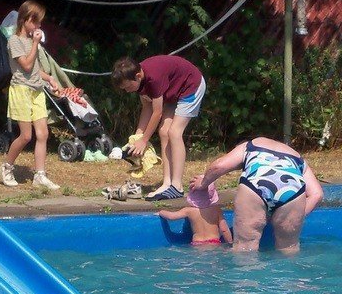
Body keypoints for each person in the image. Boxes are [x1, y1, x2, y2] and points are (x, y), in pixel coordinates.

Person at [191, 137, 323, 254]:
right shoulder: (297, 157)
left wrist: (203, 183)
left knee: (245, 248)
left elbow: (219, 166)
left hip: (257, 184)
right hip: (293, 190)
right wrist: (294, 216)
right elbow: (317, 194)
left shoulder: (249, 146)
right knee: (289, 249)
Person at [111, 54, 206, 201]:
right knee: (163, 132)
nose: (127, 90)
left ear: (137, 76)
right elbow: (147, 108)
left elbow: (157, 112)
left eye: (128, 86)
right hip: (173, 91)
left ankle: (177, 186)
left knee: (174, 132)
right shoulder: (140, 80)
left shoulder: (153, 78)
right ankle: (167, 183)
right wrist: (137, 137)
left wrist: (144, 140)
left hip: (191, 86)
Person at [0, 1, 61, 190]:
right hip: (21, 90)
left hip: (36, 90)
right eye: (36, 22)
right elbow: (25, 65)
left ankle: (40, 175)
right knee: (25, 136)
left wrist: (49, 78)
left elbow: (34, 70)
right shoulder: (14, 41)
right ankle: (6, 166)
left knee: (43, 134)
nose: (39, 26)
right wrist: (34, 43)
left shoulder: (33, 43)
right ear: (25, 20)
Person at [157, 180, 233, 246]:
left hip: (197, 244)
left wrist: (161, 212)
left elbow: (171, 217)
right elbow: (224, 229)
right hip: (214, 243)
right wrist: (230, 244)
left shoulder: (189, 211)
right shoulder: (216, 210)